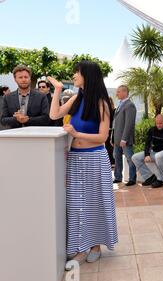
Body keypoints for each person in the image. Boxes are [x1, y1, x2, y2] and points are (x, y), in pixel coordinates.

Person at [47, 61, 118, 270]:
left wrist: (77, 134)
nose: (74, 75)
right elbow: (54, 115)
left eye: (77, 72)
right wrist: (58, 90)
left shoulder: (102, 103)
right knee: (77, 206)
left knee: (94, 204)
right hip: (76, 159)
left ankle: (95, 246)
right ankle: (80, 248)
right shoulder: (78, 98)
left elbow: (103, 137)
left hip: (94, 159)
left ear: (87, 75)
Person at [132, 114, 163, 188]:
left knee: (158, 156)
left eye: (160, 123)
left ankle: (161, 180)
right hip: (154, 152)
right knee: (135, 157)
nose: (159, 125)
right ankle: (149, 177)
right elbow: (147, 144)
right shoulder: (152, 130)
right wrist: (147, 154)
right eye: (157, 123)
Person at [112, 85, 137, 186]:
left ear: (125, 92)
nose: (117, 93)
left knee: (130, 158)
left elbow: (129, 124)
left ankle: (132, 178)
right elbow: (115, 124)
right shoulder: (120, 104)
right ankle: (118, 177)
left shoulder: (130, 105)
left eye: (118, 92)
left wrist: (124, 139)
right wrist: (112, 137)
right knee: (116, 157)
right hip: (117, 138)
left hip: (124, 139)